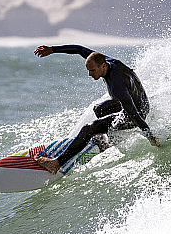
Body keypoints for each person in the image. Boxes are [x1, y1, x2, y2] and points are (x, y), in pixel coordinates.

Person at [33, 44, 160, 174]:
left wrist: (151, 137)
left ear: (103, 66)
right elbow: (79, 49)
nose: (89, 74)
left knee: (88, 129)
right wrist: (53, 50)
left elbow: (133, 113)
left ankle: (56, 163)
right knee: (99, 109)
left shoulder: (117, 85)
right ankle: (104, 139)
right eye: (88, 70)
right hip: (136, 102)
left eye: (92, 70)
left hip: (136, 113)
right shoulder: (106, 61)